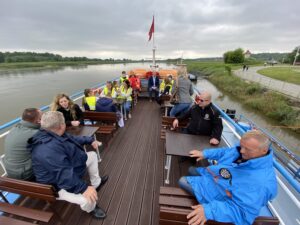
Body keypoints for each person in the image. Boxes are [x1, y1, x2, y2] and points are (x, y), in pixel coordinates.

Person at [178, 130, 277, 225]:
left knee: (182, 181)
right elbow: (226, 152)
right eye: (241, 146)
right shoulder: (242, 151)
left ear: (264, 150)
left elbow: (242, 212)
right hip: (215, 177)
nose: (241, 151)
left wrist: (209, 210)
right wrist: (205, 154)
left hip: (220, 194)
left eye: (247, 149)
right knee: (191, 169)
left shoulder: (261, 183)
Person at [29, 111, 109, 219]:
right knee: (86, 199)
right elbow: (63, 175)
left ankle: (96, 183)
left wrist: (90, 140)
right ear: (62, 125)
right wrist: (84, 188)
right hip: (57, 185)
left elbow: (74, 139)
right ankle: (91, 208)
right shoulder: (47, 149)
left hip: (69, 167)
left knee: (92, 156)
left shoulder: (54, 133)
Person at [3, 108, 42, 180]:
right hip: (24, 174)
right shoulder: (34, 134)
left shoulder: (15, 128)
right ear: (38, 121)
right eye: (42, 117)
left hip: (10, 170)